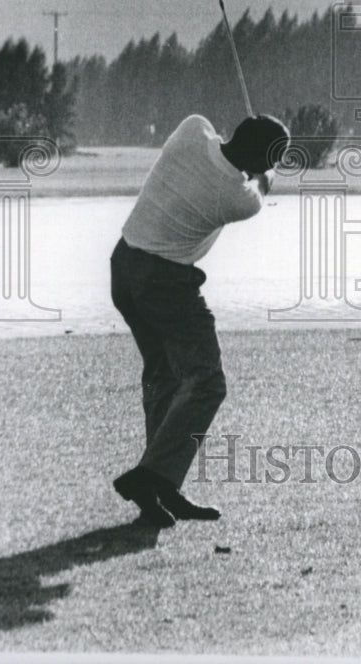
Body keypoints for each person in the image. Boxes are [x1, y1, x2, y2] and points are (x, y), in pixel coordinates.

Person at [110, 113, 290, 527]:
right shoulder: (239, 199)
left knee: (165, 378)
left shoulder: (191, 130)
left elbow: (217, 136)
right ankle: (153, 476)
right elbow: (260, 187)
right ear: (261, 160)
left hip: (124, 268)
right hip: (166, 283)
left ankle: (159, 491)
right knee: (207, 382)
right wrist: (267, 172)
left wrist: (258, 155)